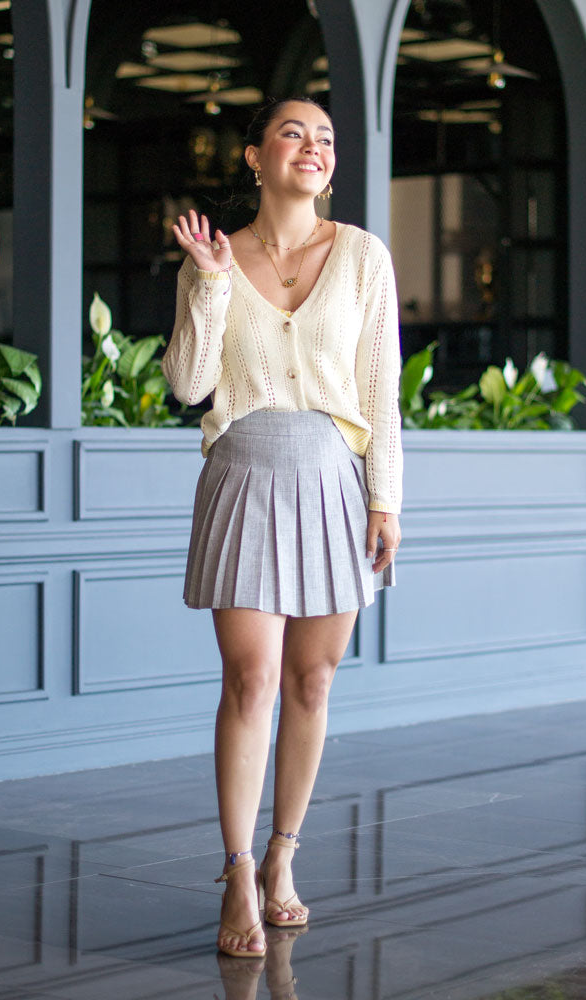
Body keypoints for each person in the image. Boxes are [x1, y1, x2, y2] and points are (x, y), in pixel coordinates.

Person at [162, 97, 403, 960]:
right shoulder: (214, 260)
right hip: (245, 474)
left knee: (311, 682)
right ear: (255, 156)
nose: (314, 146)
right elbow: (189, 383)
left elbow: (383, 392)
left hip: (333, 481)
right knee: (250, 679)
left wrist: (386, 502)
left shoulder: (364, 258)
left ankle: (282, 858)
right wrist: (211, 284)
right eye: (294, 132)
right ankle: (234, 870)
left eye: (326, 137)